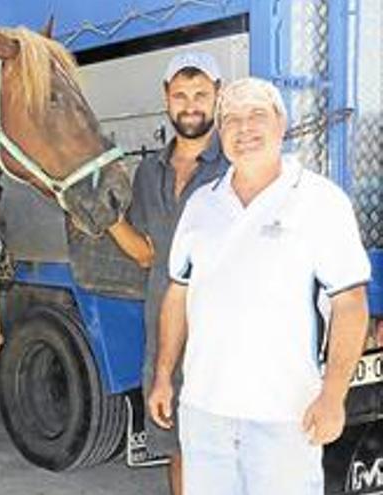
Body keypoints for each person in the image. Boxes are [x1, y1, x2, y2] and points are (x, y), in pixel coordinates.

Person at [149, 77, 370, 494]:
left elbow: (350, 303)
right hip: (204, 415)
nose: (244, 128)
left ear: (281, 125)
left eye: (257, 115)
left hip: (285, 418)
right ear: (220, 133)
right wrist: (163, 375)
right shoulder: (200, 204)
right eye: (230, 118)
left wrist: (333, 395)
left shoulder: (320, 201)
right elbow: (177, 295)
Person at [107, 51, 228, 493]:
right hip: (168, 342)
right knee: (180, 451)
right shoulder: (148, 173)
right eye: (181, 95)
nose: (190, 105)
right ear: (166, 99)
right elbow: (145, 255)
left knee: (233, 454)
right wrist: (104, 217)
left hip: (226, 345)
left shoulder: (237, 168)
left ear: (218, 95)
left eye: (200, 94)